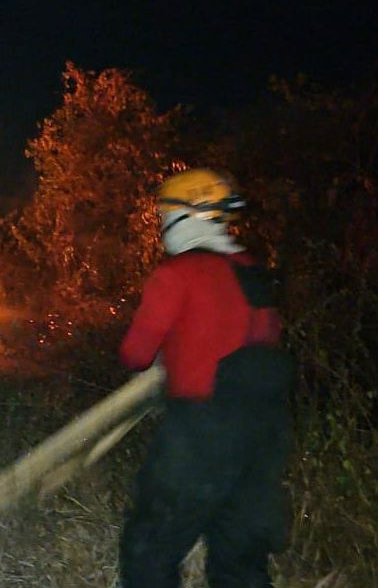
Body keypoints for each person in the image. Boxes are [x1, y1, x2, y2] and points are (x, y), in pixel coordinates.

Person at [117, 168, 294, 588]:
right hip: (263, 438)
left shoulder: (176, 274)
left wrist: (171, 355)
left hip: (199, 437)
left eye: (165, 217)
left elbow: (135, 354)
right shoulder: (251, 271)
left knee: (150, 547)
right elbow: (263, 337)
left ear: (185, 217)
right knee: (240, 560)